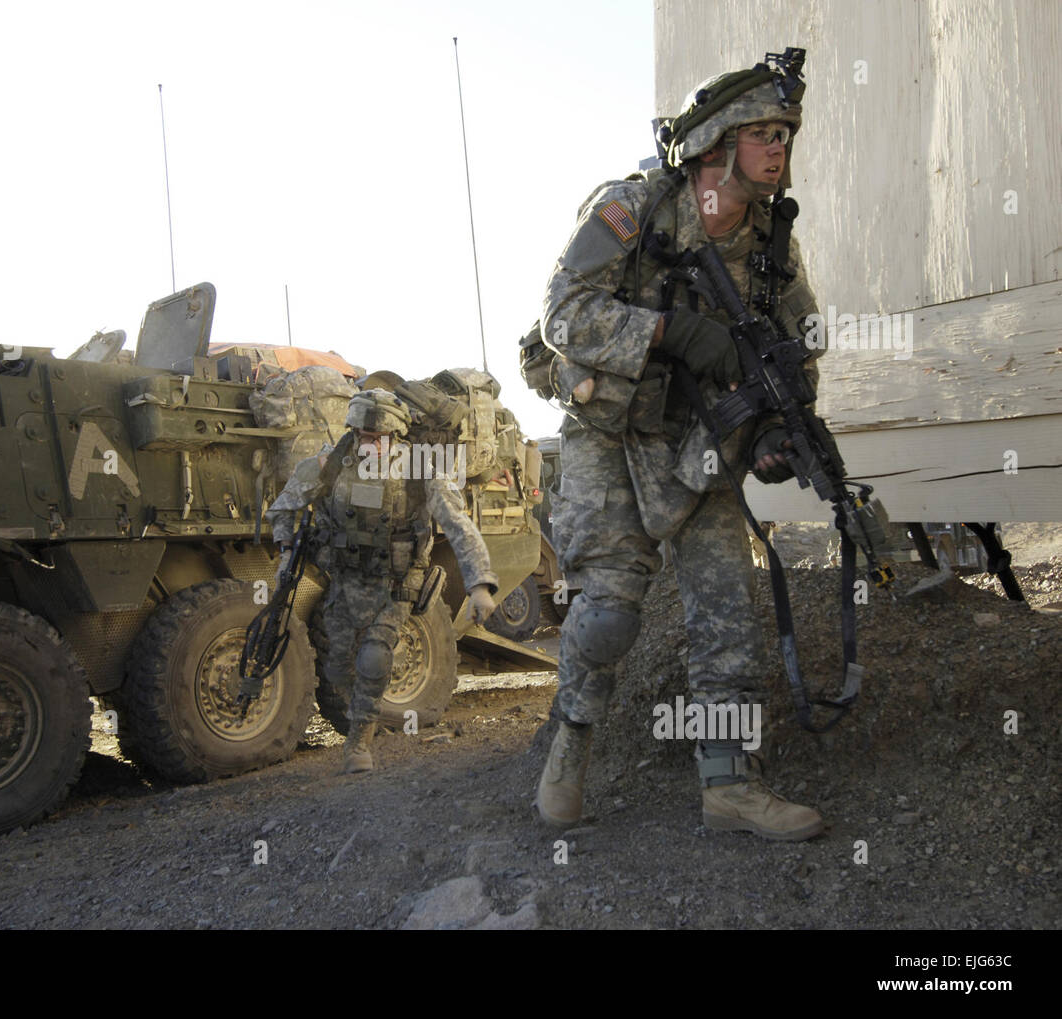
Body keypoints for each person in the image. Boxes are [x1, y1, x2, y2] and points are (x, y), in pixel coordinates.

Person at [535, 51, 827, 840]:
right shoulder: (638, 209)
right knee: (609, 614)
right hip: (610, 429)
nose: (778, 149)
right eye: (763, 133)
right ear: (715, 146)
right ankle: (571, 738)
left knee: (727, 608)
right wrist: (667, 329)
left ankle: (730, 784)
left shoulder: (771, 241)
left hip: (698, 440)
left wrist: (772, 426)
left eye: (784, 135)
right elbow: (562, 315)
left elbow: (799, 341)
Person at [267, 389, 498, 773]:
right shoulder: (329, 464)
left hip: (396, 583)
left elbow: (459, 525)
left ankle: (360, 741)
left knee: (375, 656)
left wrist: (479, 584)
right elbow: (283, 507)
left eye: (378, 437)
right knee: (339, 668)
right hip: (344, 580)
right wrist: (286, 549)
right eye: (361, 435)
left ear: (396, 437)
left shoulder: (420, 469)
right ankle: (357, 715)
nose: (368, 444)